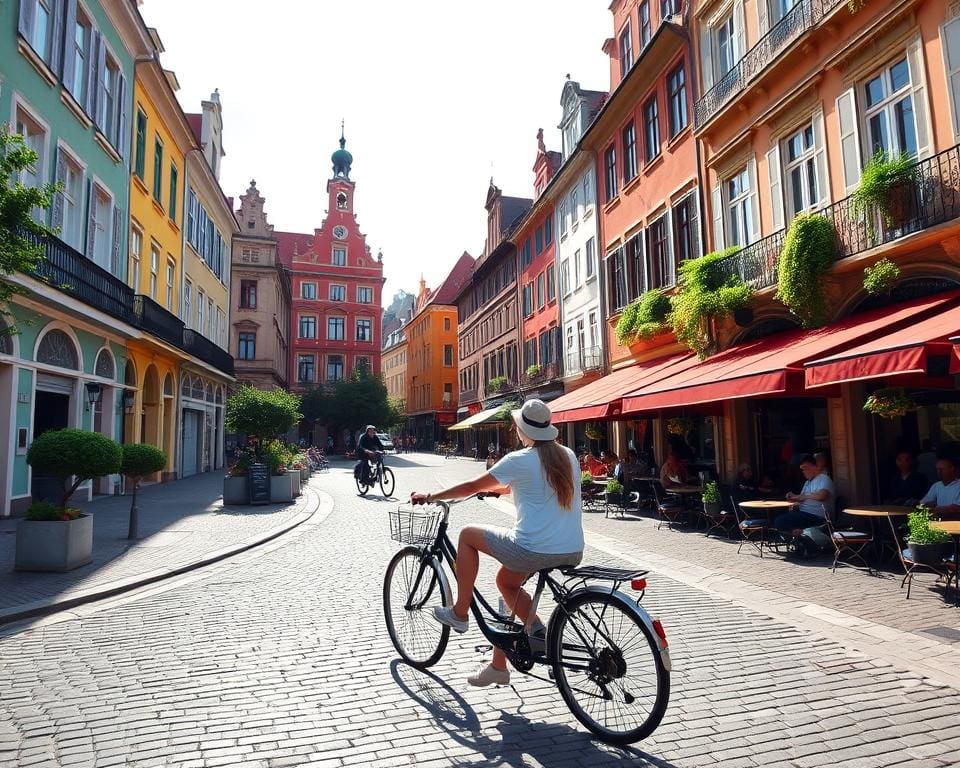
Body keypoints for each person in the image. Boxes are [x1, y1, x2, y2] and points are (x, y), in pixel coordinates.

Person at [410, 399, 584, 688]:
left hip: (533, 549)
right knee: (507, 585)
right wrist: (500, 491)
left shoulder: (519, 459)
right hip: (571, 549)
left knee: (467, 535)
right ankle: (500, 664)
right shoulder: (567, 455)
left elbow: (470, 486)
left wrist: (431, 496)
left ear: (521, 430)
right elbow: (534, 486)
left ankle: (460, 613)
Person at [776, 454, 834, 534]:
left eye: (805, 468)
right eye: (802, 469)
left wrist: (801, 497)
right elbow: (801, 498)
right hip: (804, 513)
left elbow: (822, 496)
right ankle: (801, 535)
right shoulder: (807, 482)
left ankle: (802, 533)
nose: (803, 472)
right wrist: (792, 497)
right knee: (780, 517)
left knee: (780, 521)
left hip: (816, 517)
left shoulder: (824, 479)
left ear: (814, 467)